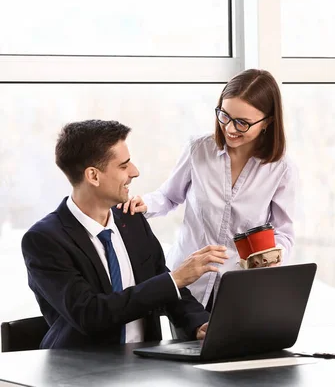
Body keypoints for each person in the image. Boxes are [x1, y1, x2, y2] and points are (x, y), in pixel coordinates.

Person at [21, 120, 228, 349]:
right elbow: (90, 314)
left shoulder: (131, 218)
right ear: (93, 176)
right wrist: (174, 279)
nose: (135, 172)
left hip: (145, 365)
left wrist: (198, 323)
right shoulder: (44, 240)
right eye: (123, 166)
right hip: (80, 370)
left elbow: (162, 282)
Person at [119, 69, 297, 308]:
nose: (230, 128)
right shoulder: (198, 149)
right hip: (189, 285)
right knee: (185, 346)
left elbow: (283, 233)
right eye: (225, 116)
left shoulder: (281, 168)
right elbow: (169, 197)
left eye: (242, 123)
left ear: (268, 122)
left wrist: (271, 257)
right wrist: (146, 204)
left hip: (241, 288)